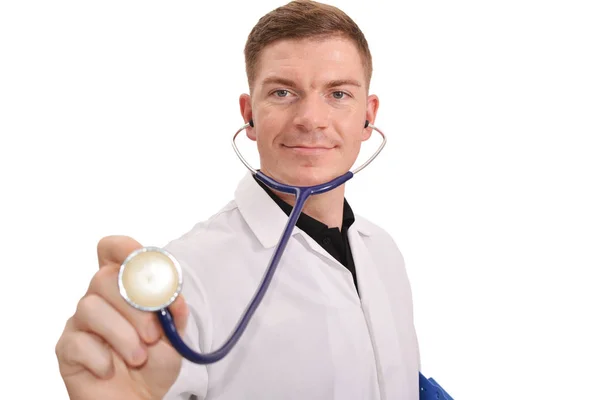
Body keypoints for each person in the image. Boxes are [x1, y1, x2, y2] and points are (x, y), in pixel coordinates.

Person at [54, 1, 421, 399]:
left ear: (368, 117)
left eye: (338, 94)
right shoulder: (187, 280)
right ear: (249, 115)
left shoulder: (383, 250)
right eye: (282, 92)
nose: (311, 118)